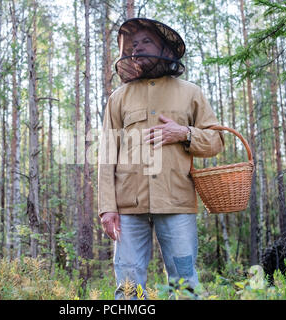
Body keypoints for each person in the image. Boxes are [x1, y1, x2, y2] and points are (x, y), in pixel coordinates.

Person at [97, 18, 224, 299]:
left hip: (176, 201)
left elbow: (216, 141)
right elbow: (107, 155)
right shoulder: (118, 98)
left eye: (146, 42)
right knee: (128, 288)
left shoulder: (190, 93)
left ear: (165, 49)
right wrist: (107, 207)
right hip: (128, 205)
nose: (137, 48)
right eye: (133, 44)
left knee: (185, 284)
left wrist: (183, 132)